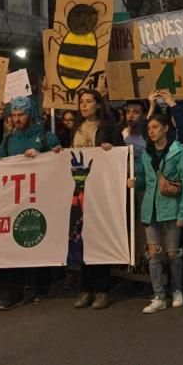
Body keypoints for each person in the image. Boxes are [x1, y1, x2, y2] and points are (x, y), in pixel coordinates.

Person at [0, 97, 62, 310]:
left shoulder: (46, 137)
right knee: (13, 244)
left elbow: (59, 160)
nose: (17, 119)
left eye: (21, 115)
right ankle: (14, 290)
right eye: (13, 115)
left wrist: (43, 155)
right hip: (14, 200)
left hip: (41, 197)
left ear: (30, 115)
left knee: (37, 238)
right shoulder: (8, 141)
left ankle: (40, 286)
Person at [128, 113, 183, 314]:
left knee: (172, 253)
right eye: (149, 128)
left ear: (166, 128)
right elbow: (145, 181)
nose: (151, 131)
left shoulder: (179, 152)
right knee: (153, 254)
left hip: (171, 209)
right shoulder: (147, 154)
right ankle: (158, 295)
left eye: (155, 127)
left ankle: (176, 289)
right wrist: (134, 183)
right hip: (151, 210)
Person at [71, 89, 123, 310]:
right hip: (79, 191)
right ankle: (85, 289)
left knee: (99, 237)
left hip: (101, 189)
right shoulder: (75, 128)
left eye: (88, 101)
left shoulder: (109, 128)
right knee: (83, 238)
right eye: (81, 102)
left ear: (99, 105)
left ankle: (102, 289)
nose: (84, 105)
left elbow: (122, 154)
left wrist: (111, 151)